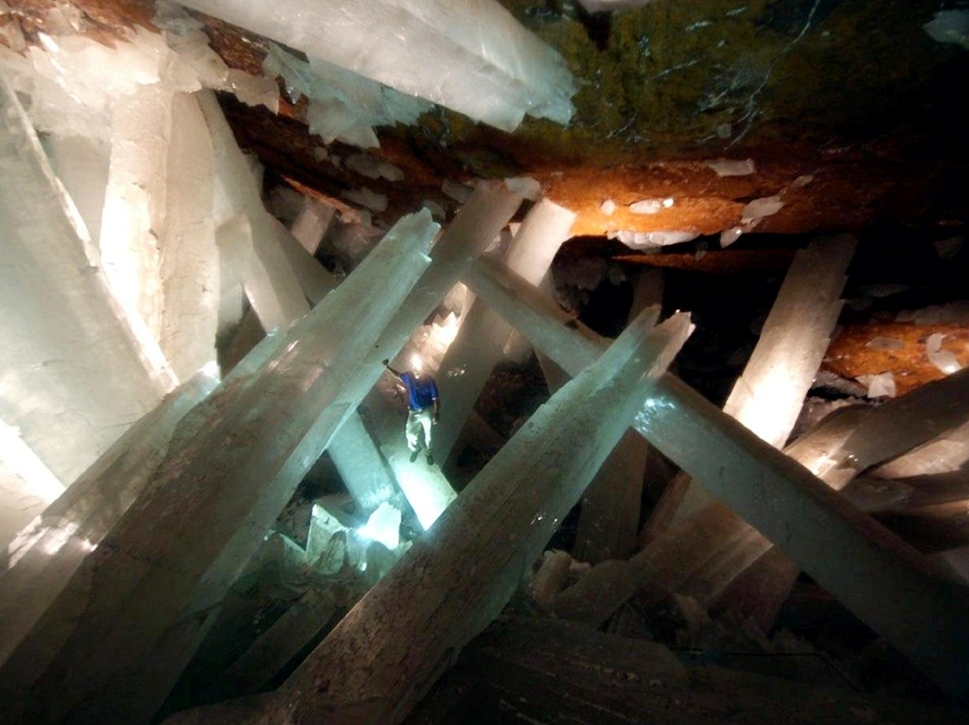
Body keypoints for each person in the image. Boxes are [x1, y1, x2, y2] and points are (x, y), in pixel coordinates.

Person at [382, 359, 440, 464]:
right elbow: (398, 375)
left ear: (423, 370)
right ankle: (415, 449)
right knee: (409, 434)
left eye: (419, 369)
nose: (416, 371)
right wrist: (387, 367)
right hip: (414, 412)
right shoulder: (410, 377)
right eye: (415, 369)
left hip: (427, 410)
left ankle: (429, 454)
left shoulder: (429, 381)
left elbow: (435, 399)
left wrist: (436, 413)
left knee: (428, 434)